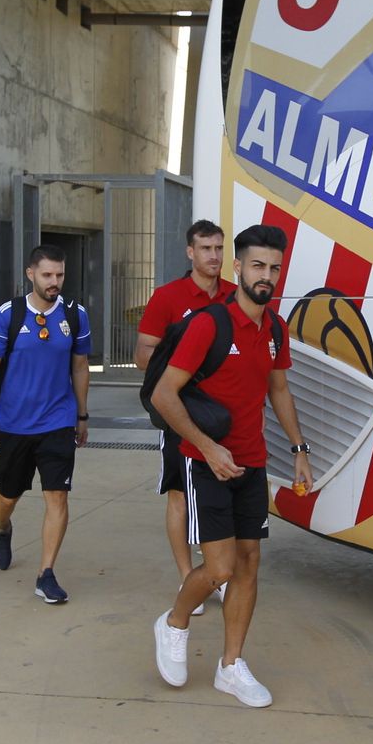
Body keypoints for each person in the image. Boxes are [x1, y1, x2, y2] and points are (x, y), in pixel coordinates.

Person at [150, 224, 314, 707]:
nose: (267, 276)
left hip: (253, 463)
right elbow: (164, 394)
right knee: (219, 568)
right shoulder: (209, 324)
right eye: (258, 266)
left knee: (249, 563)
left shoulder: (274, 328)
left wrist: (299, 449)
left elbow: (278, 390)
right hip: (206, 463)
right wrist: (207, 447)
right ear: (237, 267)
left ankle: (231, 666)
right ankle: (174, 621)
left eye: (275, 268)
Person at [0, 244, 91, 604]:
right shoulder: (9, 314)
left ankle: (46, 574)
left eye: (59, 274)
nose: (54, 281)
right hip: (13, 422)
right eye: (47, 275)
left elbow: (80, 366)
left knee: (57, 494)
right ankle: (2, 527)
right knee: (7, 497)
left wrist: (82, 415)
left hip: (57, 420)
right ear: (31, 274)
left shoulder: (75, 315)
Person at [134, 219, 235, 615]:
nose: (213, 256)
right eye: (205, 249)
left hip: (228, 415)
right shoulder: (168, 297)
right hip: (182, 412)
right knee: (179, 496)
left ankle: (218, 574)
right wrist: (183, 356)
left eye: (218, 248)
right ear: (190, 252)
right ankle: (186, 573)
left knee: (224, 494)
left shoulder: (233, 296)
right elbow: (143, 354)